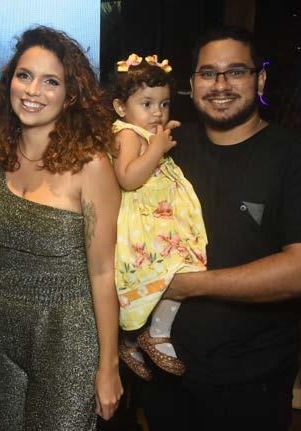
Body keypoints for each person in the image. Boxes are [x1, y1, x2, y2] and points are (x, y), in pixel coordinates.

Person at [140, 26, 301, 431]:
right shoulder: (168, 147)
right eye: (208, 73)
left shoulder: (297, 159)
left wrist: (187, 285)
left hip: (250, 382)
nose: (220, 85)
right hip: (163, 372)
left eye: (236, 72)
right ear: (192, 83)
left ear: (260, 80)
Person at [0, 26, 123, 430]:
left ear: (70, 94)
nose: (33, 90)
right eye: (24, 76)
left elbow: (103, 272)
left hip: (65, 335)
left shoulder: (91, 166)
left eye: (50, 81)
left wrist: (108, 365)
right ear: (10, 82)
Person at [110, 54, 207, 380]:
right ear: (120, 108)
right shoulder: (127, 134)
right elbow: (127, 177)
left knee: (185, 265)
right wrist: (156, 148)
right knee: (162, 270)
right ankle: (145, 336)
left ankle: (148, 335)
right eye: (147, 104)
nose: (157, 113)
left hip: (159, 218)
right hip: (141, 222)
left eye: (164, 104)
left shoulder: (148, 134)